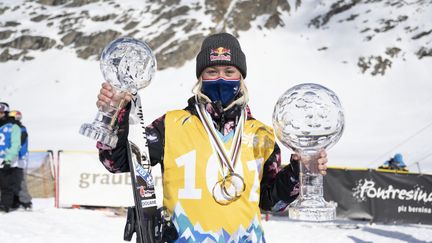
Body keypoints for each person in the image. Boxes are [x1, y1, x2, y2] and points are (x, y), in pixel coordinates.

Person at [96, 33, 328, 242]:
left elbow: (272, 202)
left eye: (229, 72)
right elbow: (117, 162)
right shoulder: (172, 125)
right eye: (211, 71)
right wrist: (115, 114)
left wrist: (300, 171)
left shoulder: (261, 135)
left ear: (241, 78)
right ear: (200, 77)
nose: (220, 78)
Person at [0, 102, 23, 213]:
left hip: (5, 159)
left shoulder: (13, 126)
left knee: (6, 184)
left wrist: (8, 159)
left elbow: (15, 144)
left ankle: (5, 205)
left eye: (1, 112)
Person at [9, 110, 33, 210]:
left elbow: (17, 143)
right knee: (10, 180)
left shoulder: (21, 129)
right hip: (14, 158)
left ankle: (26, 202)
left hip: (20, 158)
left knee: (20, 181)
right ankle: (15, 201)